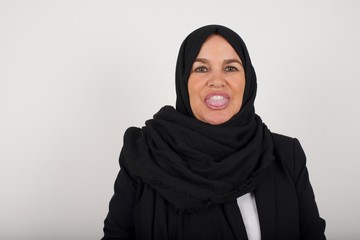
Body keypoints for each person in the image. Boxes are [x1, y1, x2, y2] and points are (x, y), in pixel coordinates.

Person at [102, 25, 326, 240]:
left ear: (248, 80)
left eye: (231, 68)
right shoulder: (146, 153)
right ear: (183, 81)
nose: (217, 81)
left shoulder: (287, 155)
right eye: (201, 68)